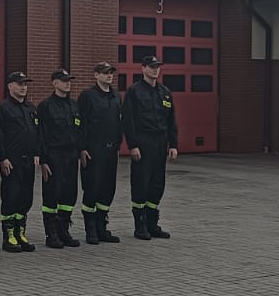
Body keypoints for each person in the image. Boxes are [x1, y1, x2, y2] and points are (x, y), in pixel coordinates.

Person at [122, 53, 179, 240]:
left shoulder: (165, 92)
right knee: (141, 183)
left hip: (160, 142)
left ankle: (152, 224)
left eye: (157, 67)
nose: (155, 70)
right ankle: (140, 225)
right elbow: (128, 120)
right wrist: (133, 145)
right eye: (152, 67)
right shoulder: (134, 91)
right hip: (143, 141)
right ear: (143, 69)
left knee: (157, 184)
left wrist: (173, 144)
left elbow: (171, 120)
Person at [77, 61, 123, 244]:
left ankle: (101, 227)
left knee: (108, 189)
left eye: (111, 72)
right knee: (92, 188)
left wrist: (118, 145)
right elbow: (80, 123)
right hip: (93, 150)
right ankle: (90, 229)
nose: (109, 75)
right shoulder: (87, 96)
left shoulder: (116, 96)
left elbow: (119, 122)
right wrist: (82, 148)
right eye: (105, 73)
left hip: (111, 150)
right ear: (96, 75)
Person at [37, 68, 82, 250]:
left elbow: (80, 130)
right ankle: (51, 234)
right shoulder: (46, 106)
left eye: (69, 80)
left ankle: (64, 230)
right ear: (55, 83)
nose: (68, 83)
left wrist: (81, 150)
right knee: (52, 194)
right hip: (53, 155)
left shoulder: (74, 105)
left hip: (71, 155)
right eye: (64, 81)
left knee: (69, 194)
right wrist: (43, 160)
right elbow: (41, 135)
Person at [0, 71, 40, 253]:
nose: (23, 87)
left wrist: (37, 153)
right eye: (20, 84)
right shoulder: (2, 108)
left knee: (25, 198)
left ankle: (20, 233)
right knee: (10, 197)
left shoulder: (30, 108)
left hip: (28, 161)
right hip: (11, 161)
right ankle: (8, 237)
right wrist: (2, 157)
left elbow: (37, 133)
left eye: (25, 84)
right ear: (10, 86)